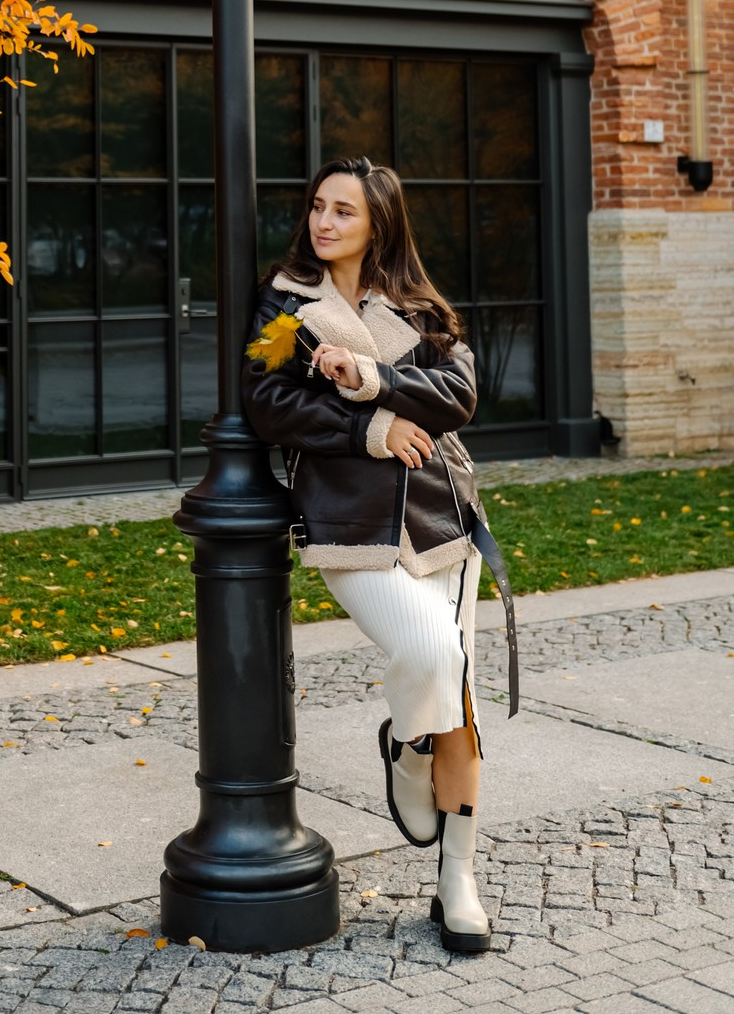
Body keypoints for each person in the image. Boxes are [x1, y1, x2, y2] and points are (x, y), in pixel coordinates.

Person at [242, 155, 517, 955]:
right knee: (433, 656)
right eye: (317, 207)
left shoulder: (420, 307)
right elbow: (267, 402)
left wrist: (368, 377)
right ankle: (405, 741)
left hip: (442, 518)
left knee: (458, 697)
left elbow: (458, 396)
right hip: (350, 522)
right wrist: (371, 427)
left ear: (378, 224)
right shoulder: (285, 303)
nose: (324, 222)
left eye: (344, 212)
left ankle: (458, 880)